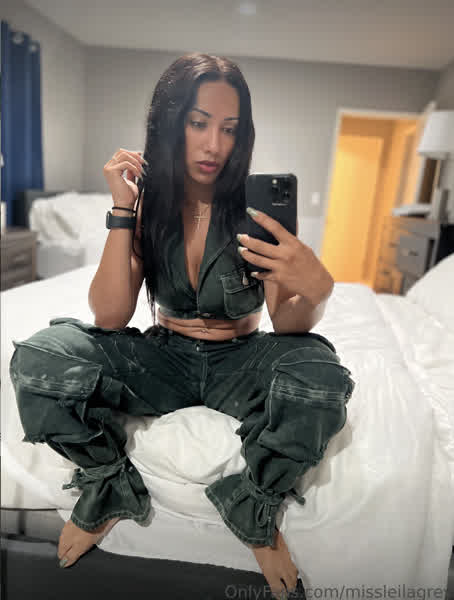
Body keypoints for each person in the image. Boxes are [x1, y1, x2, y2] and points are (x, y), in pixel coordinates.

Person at [9, 52, 355, 599]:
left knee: (322, 375)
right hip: (163, 356)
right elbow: (109, 316)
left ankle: (253, 506)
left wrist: (317, 289)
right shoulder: (151, 203)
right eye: (199, 123)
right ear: (172, 123)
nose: (214, 144)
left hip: (242, 359)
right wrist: (123, 210)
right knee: (40, 360)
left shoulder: (256, 209)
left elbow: (287, 323)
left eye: (229, 128)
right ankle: (108, 484)